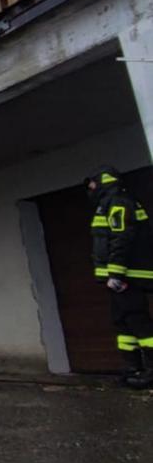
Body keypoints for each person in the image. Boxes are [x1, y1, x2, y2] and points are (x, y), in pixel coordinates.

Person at [86, 166, 153, 388]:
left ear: (102, 182)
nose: (90, 188)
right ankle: (134, 368)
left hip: (128, 277)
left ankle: (151, 370)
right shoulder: (106, 204)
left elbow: (122, 237)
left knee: (138, 322)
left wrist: (116, 273)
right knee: (123, 323)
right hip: (119, 278)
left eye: (92, 183)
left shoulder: (119, 202)